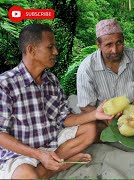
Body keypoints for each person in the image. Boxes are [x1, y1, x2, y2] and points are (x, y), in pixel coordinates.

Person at [0, 24, 114, 179]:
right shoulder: (5, 83)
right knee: (27, 176)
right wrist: (38, 155)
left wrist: (96, 114)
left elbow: (65, 119)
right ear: (31, 50)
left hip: (51, 143)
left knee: (90, 129)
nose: (56, 52)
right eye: (50, 47)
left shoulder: (51, 80)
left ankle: (53, 162)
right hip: (20, 152)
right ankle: (60, 164)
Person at [76, 18, 134, 116]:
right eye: (109, 45)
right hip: (103, 119)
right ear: (98, 45)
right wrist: (107, 119)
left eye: (119, 43)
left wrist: (130, 111)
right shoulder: (86, 68)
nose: (115, 50)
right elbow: (85, 106)